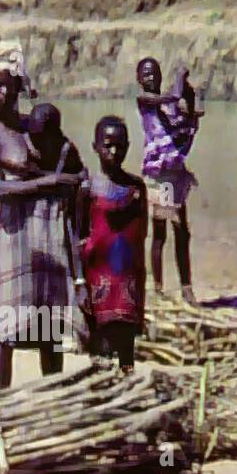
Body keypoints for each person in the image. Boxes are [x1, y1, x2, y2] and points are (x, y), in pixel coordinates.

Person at [0, 43, 90, 390]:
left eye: (8, 84)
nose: (2, 92)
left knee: (48, 323)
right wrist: (50, 181)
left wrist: (75, 184)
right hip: (15, 230)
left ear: (20, 86)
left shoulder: (34, 125)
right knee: (7, 325)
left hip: (48, 226)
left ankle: (51, 396)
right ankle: (1, 405)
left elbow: (72, 162)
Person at [80, 116, 147, 373]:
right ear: (95, 146)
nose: (114, 151)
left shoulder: (136, 187)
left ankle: (126, 385)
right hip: (98, 278)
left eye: (120, 146)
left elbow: (141, 236)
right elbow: (77, 235)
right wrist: (78, 282)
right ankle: (101, 392)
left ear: (128, 146)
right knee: (101, 344)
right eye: (107, 145)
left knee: (126, 345)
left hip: (128, 278)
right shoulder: (88, 189)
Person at [136, 57, 200, 304]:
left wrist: (190, 96)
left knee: (182, 233)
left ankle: (185, 288)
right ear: (139, 80)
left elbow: (186, 119)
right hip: (159, 175)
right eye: (146, 74)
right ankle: (159, 289)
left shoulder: (167, 106)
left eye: (154, 73)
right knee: (161, 233)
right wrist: (180, 80)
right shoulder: (146, 101)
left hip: (174, 174)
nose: (150, 77)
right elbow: (172, 97)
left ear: (160, 76)